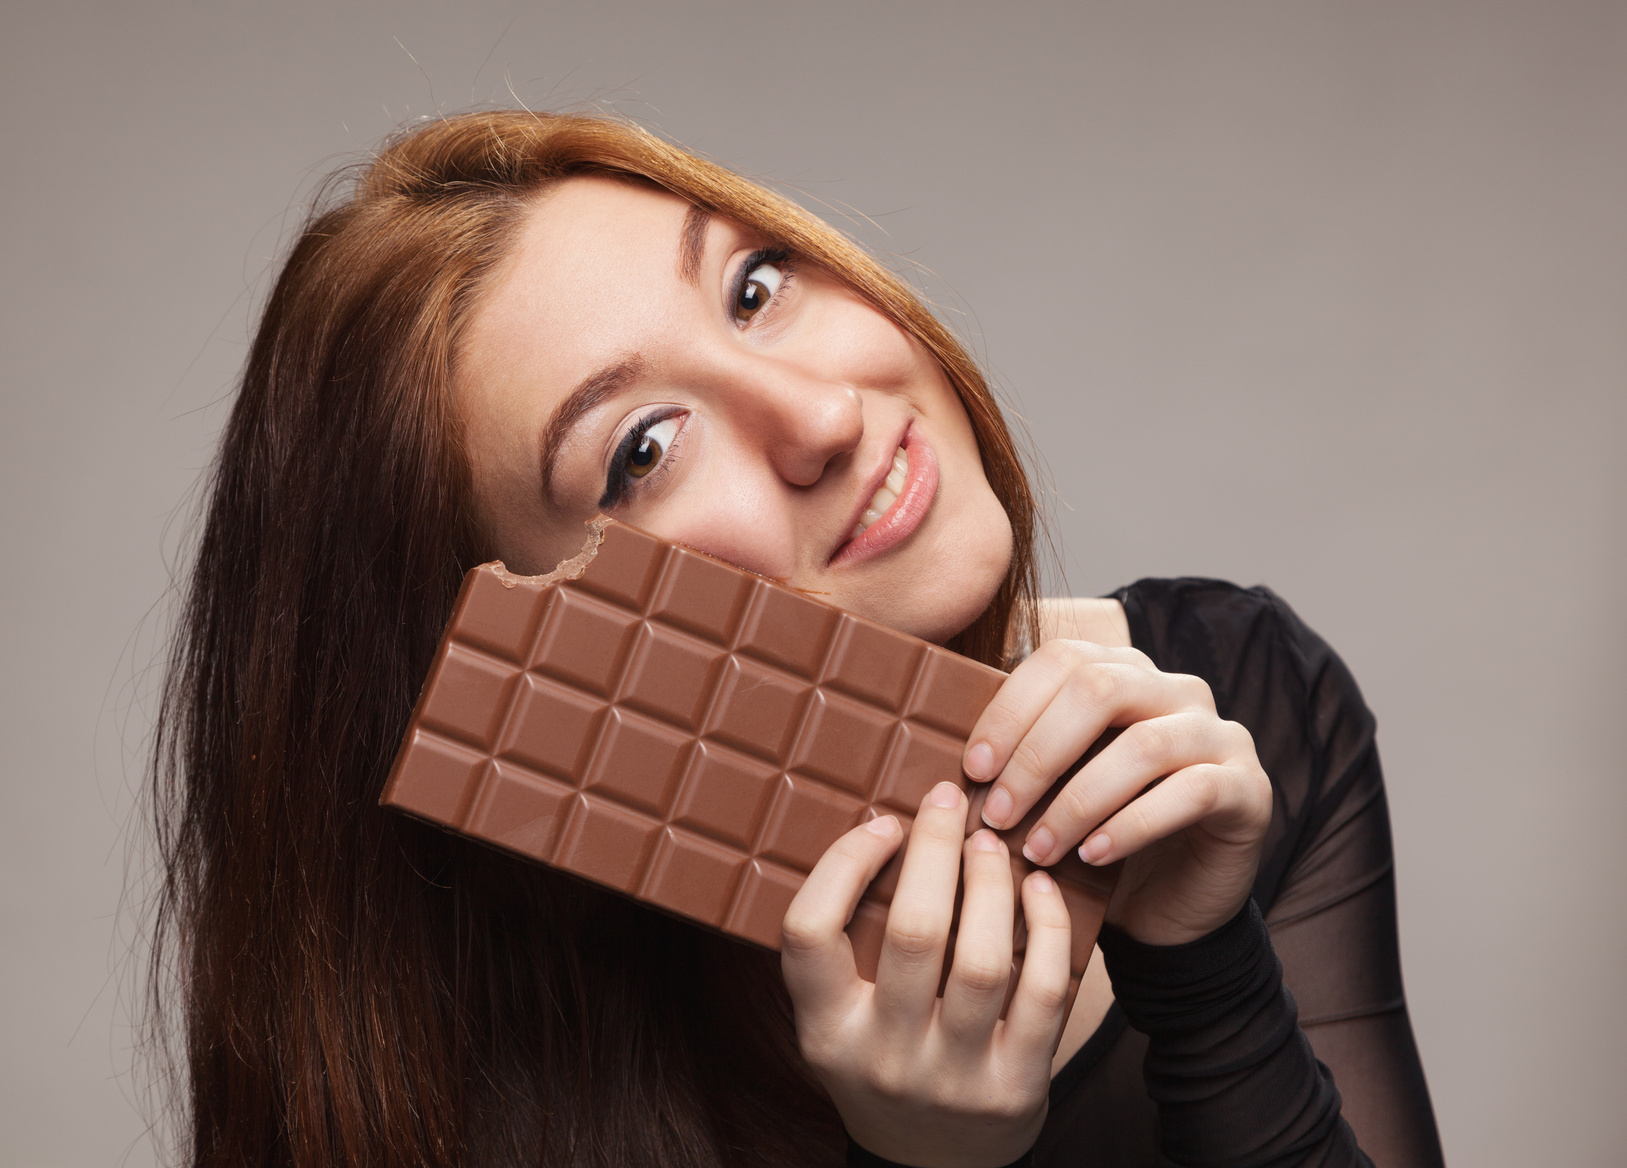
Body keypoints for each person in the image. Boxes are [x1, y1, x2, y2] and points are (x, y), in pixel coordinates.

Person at [149, 110, 1445, 1168]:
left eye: (754, 286)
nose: (823, 413)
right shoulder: (527, 1072)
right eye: (640, 450)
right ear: (516, 673)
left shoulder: (1241, 698)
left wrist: (1205, 968)